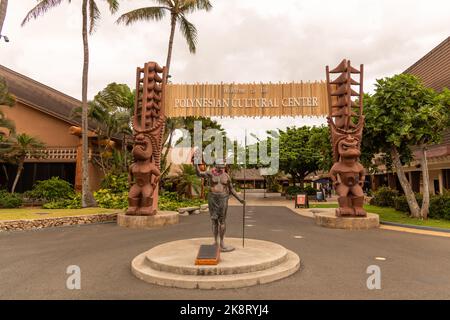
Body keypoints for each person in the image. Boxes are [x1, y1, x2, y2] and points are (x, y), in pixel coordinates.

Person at [193, 153, 245, 252]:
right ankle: (215, 241)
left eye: (222, 167)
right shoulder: (210, 173)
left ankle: (222, 242)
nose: (221, 168)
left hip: (223, 198)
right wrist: (196, 164)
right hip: (212, 198)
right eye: (220, 166)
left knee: (222, 220)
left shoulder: (226, 176)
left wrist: (240, 199)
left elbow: (232, 190)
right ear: (216, 166)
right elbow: (199, 174)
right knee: (214, 220)